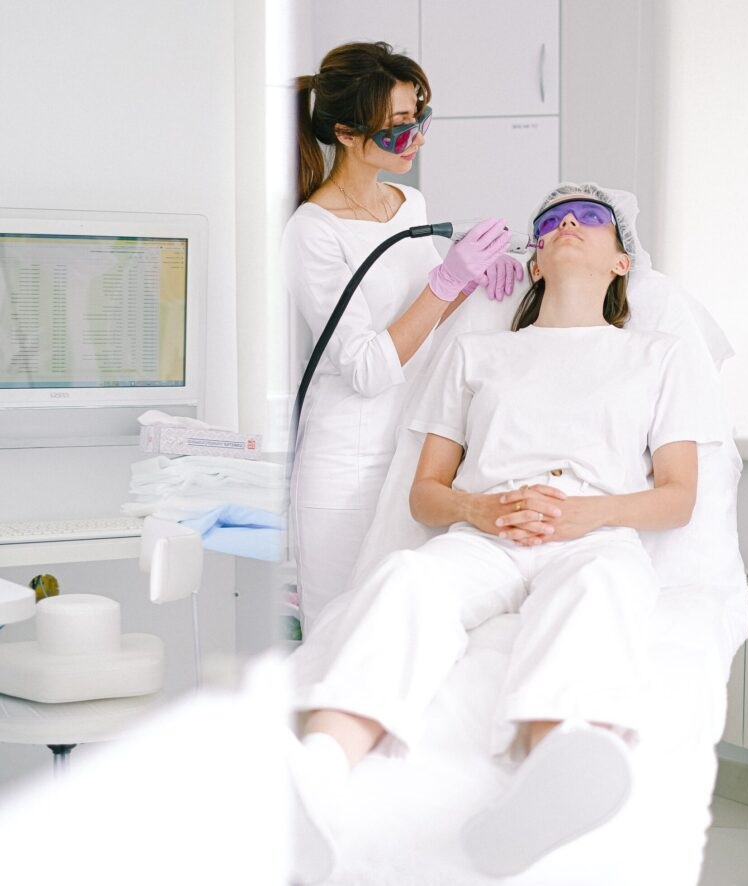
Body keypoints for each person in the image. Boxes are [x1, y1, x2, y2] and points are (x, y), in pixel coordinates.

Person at [285, 183, 724, 884]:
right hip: (488, 532)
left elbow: (678, 498)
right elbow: (425, 494)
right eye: (553, 222)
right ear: (534, 259)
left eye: (592, 220)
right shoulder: (479, 355)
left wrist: (590, 515)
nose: (571, 225)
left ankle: (544, 786)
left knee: (601, 587)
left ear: (622, 262)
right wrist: (479, 511)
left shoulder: (660, 355)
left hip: (596, 534)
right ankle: (316, 777)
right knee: (407, 579)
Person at [281, 41, 522, 630]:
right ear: (345, 131)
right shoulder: (312, 232)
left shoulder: (409, 203)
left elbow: (426, 318)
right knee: (340, 637)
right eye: (396, 128)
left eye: (420, 118)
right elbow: (365, 367)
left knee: (399, 633)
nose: (413, 137)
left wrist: (473, 280)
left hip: (412, 454)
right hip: (349, 467)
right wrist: (446, 280)